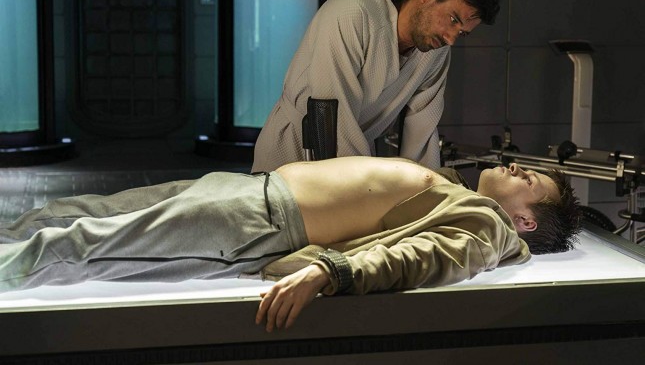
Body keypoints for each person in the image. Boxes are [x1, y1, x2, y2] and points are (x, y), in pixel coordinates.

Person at [0, 157, 580, 332]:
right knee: (71, 215)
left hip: (259, 220)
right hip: (252, 194)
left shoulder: (487, 227)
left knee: (79, 242)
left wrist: (333, 270)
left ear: (525, 222)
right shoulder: (459, 194)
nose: (515, 168)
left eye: (530, 181)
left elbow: (423, 259)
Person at [252, 0, 501, 173]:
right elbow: (329, 114)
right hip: (294, 148)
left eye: (462, 32)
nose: (451, 38)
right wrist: (366, 188)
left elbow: (422, 130)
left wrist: (426, 194)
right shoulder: (351, 14)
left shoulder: (436, 52)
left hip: (358, 157)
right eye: (453, 19)